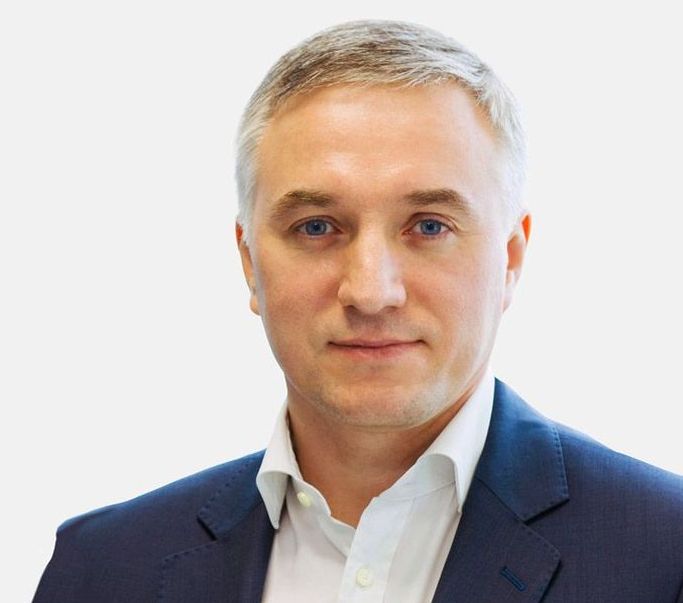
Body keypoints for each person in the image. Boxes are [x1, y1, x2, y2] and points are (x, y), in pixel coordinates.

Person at [33, 19, 682, 603]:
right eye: (317, 227)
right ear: (249, 261)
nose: (371, 291)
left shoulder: (665, 555)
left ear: (509, 258)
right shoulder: (101, 568)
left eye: (428, 226)